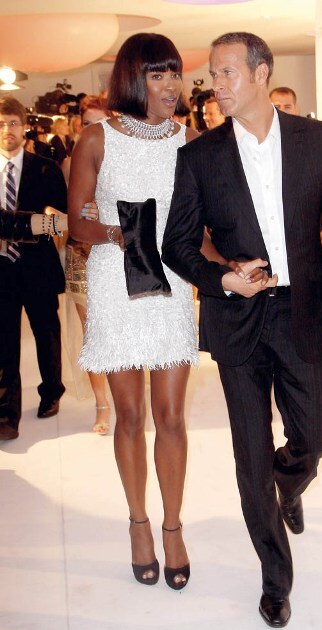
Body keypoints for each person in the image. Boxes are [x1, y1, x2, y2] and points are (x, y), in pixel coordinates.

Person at [162, 32, 322, 627]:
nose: (216, 86)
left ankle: (289, 484)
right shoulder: (199, 156)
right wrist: (223, 278)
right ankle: (276, 578)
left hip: (304, 311)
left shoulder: (317, 140)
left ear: (260, 73)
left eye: (227, 73)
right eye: (212, 76)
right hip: (238, 320)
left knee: (316, 435)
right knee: (250, 461)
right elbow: (177, 245)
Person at [68, 33, 200, 590]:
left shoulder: (189, 139)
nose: (171, 85)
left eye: (175, 73)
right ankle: (138, 523)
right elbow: (77, 224)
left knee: (171, 418)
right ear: (132, 77)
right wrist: (117, 234)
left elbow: (201, 221)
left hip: (171, 283)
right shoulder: (96, 138)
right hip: (116, 282)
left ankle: (173, 527)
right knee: (129, 416)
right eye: (157, 73)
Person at [0, 95, 68, 442]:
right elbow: (44, 221)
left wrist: (38, 224)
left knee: (47, 334)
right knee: (3, 341)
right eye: (1, 124)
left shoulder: (46, 168)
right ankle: (6, 413)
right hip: (1, 271)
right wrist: (36, 222)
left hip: (38, 267)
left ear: (24, 127)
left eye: (13, 123)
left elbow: (61, 222)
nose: (7, 130)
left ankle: (52, 392)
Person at [64, 97, 112, 433]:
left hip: (117, 252)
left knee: (122, 326)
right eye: (86, 124)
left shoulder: (125, 160)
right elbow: (63, 212)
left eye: (99, 122)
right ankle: (101, 403)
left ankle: (127, 394)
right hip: (81, 254)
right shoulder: (70, 164)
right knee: (92, 331)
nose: (92, 130)